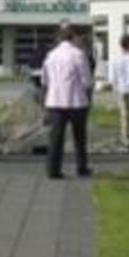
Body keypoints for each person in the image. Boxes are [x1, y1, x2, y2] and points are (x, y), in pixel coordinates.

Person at [43, 21, 94, 178]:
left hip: (55, 101)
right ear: (73, 38)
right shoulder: (78, 55)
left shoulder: (51, 55)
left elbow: (45, 80)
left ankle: (53, 169)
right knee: (79, 137)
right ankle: (81, 166)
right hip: (76, 100)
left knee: (56, 138)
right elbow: (86, 80)